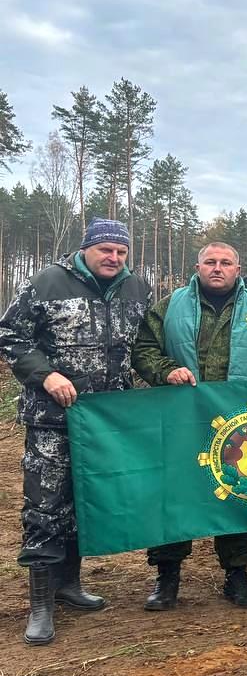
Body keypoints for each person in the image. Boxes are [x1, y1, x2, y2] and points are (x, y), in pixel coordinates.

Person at [0, 218, 152, 645]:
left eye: (121, 252)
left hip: (106, 420)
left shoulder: (136, 288)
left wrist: (164, 374)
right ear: (86, 249)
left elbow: (140, 347)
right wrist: (45, 375)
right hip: (52, 416)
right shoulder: (47, 281)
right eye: (106, 250)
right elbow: (9, 333)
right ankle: (41, 603)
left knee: (86, 499)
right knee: (46, 503)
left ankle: (69, 583)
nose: (114, 258)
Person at [132, 242, 247, 611]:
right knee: (175, 494)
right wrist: (165, 371)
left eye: (225, 263)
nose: (217, 268)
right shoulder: (170, 305)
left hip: (239, 422)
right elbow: (142, 349)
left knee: (235, 492)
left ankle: (237, 574)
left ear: (239, 269)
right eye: (210, 262)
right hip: (181, 418)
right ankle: (167, 574)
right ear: (197, 266)